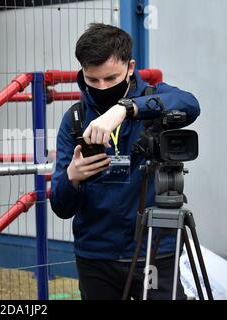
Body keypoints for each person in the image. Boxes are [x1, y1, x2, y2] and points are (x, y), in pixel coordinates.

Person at [50, 23, 200, 300]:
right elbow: (60, 206)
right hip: (96, 255)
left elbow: (190, 104)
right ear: (82, 70)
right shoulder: (73, 120)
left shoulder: (152, 98)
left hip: (155, 250)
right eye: (92, 80)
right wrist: (71, 177)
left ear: (130, 67)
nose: (102, 87)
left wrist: (127, 108)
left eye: (111, 78)